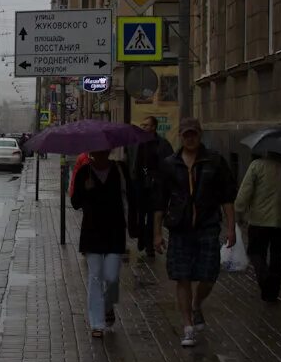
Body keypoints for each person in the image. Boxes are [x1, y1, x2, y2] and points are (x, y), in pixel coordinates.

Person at [154, 117, 237, 347]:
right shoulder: (170, 164)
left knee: (209, 275)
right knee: (183, 276)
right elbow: (160, 201)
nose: (190, 138)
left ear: (200, 135)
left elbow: (227, 197)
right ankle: (188, 325)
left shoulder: (214, 161)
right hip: (180, 228)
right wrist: (157, 233)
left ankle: (197, 303)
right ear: (181, 136)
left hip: (208, 226)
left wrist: (231, 229)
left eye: (194, 134)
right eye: (186, 134)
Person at [70, 149, 136, 338]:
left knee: (112, 277)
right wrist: (85, 188)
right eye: (96, 152)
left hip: (115, 231)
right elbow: (75, 202)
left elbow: (131, 197)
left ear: (109, 151)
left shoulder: (119, 169)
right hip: (92, 232)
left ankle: (108, 306)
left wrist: (134, 225)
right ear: (91, 152)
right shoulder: (84, 172)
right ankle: (97, 324)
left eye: (103, 151)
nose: (100, 154)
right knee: (95, 276)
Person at [234, 152, 281, 301]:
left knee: (255, 252)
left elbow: (245, 191)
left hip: (259, 219)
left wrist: (239, 208)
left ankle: (265, 280)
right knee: (277, 255)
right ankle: (272, 293)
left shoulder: (257, 165)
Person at [127, 117, 175, 261]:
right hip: (140, 185)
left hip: (156, 186)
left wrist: (161, 180)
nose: (143, 127)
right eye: (142, 124)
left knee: (153, 216)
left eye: (146, 125)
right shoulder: (136, 143)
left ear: (154, 127)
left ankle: (149, 246)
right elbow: (131, 161)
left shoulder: (162, 144)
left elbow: (168, 164)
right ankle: (142, 239)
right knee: (141, 215)